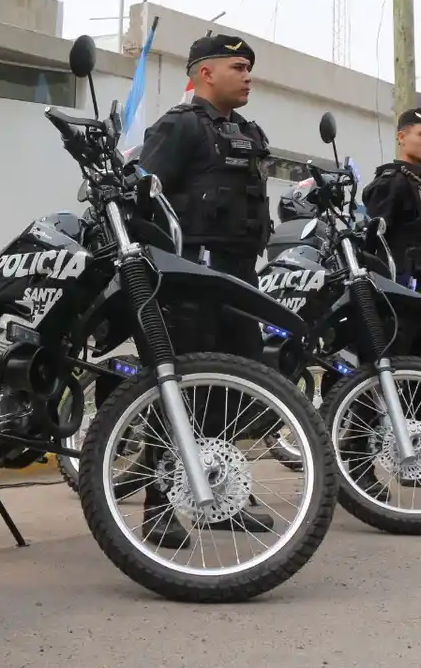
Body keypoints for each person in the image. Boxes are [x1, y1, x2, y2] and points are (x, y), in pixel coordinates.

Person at [135, 32, 275, 546]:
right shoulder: (178, 127)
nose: (248, 75)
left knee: (231, 393)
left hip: (239, 275)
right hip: (190, 276)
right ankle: (157, 506)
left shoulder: (250, 132)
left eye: (249, 67)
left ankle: (219, 499)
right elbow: (140, 199)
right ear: (205, 72)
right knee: (176, 390)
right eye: (238, 66)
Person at [362, 107, 421, 355]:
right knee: (394, 365)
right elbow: (373, 241)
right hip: (398, 294)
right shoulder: (391, 181)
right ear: (402, 137)